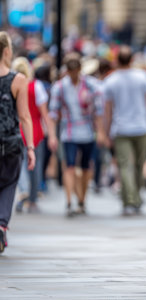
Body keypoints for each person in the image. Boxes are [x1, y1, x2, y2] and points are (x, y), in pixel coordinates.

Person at [49, 53, 105, 216]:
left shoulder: (91, 85)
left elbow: (98, 111)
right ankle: (68, 201)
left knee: (87, 167)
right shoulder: (60, 87)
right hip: (69, 132)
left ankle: (82, 199)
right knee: (70, 166)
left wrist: (100, 132)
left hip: (87, 131)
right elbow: (53, 113)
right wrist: (52, 135)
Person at [103, 46, 146, 216]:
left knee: (125, 165)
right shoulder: (142, 77)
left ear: (117, 60)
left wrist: (106, 130)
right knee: (139, 164)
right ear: (132, 60)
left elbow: (108, 110)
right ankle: (134, 198)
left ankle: (130, 200)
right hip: (141, 127)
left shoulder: (111, 80)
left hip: (121, 128)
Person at [0, 31, 35, 253]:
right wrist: (30, 147)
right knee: (9, 183)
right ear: (6, 51)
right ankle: (2, 224)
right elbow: (24, 116)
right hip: (10, 141)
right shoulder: (18, 80)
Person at [12, 57, 58, 213]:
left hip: (15, 130)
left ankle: (24, 192)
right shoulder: (36, 86)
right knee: (35, 166)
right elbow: (45, 114)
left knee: (18, 165)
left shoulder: (10, 84)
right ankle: (32, 199)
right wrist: (51, 134)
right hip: (35, 130)